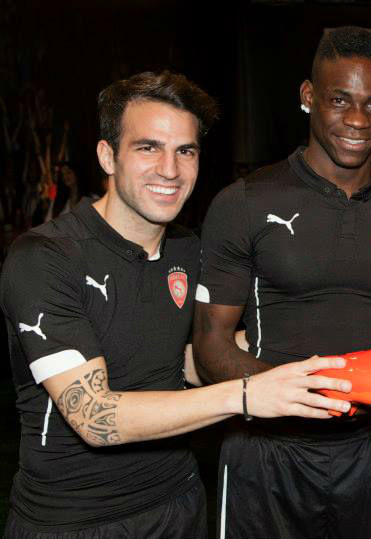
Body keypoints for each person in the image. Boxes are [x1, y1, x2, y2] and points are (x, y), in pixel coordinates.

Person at [0, 71, 349, 538]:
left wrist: (303, 335)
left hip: (179, 503)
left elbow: (183, 360)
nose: (170, 170)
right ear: (107, 156)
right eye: (148, 147)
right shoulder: (44, 257)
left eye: (185, 151)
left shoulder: (188, 250)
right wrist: (246, 395)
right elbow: (94, 417)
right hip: (76, 520)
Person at [192, 27, 371, 539]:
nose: (358, 120)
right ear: (308, 96)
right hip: (265, 454)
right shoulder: (244, 202)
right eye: (340, 100)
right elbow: (209, 346)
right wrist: (299, 392)